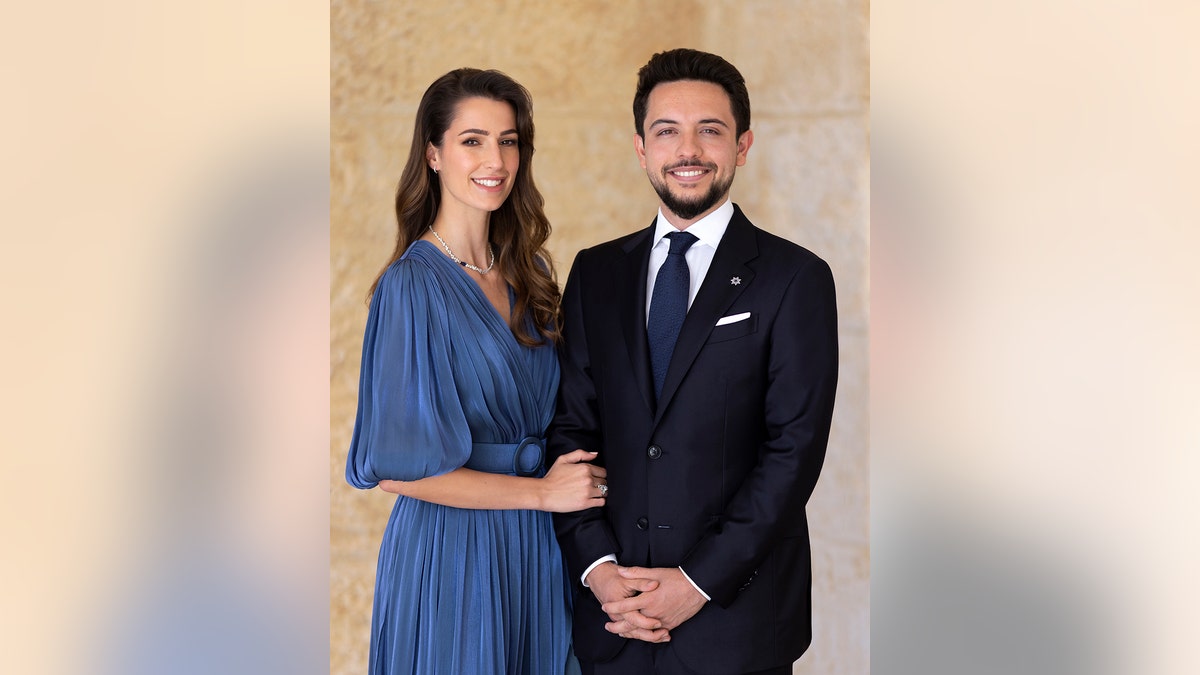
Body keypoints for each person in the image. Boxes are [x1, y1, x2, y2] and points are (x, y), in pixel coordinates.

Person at [549, 49, 839, 675]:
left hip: (735, 626)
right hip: (614, 625)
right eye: (667, 131)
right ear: (640, 147)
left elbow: (794, 451)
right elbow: (573, 432)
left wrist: (696, 583)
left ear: (742, 145)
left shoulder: (795, 278)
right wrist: (599, 572)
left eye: (710, 129)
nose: (688, 149)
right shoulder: (595, 274)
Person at [345, 68, 605, 675]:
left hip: (538, 547)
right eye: (472, 140)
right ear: (433, 154)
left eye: (508, 140)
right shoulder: (412, 285)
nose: (495, 158)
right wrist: (542, 494)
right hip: (452, 552)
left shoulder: (529, 271)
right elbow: (399, 475)